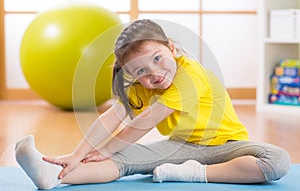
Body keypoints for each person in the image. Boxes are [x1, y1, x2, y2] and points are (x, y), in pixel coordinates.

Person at [15, 19, 290, 190]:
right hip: (180, 147)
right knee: (117, 160)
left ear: (171, 47)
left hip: (228, 147)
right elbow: (112, 118)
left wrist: (105, 148)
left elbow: (144, 123)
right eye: (140, 71)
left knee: (277, 160)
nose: (153, 74)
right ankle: (53, 176)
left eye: (157, 59)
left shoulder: (190, 75)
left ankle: (194, 174)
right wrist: (78, 154)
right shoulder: (142, 86)